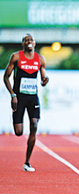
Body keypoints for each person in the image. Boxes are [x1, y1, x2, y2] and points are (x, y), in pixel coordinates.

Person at [3, 33, 49, 172]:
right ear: (23, 44)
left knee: (34, 125)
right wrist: (13, 94)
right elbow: (6, 77)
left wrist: (45, 80)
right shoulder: (16, 57)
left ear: (35, 43)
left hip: (33, 97)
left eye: (31, 40)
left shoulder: (40, 59)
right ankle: (17, 121)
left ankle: (27, 162)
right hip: (19, 97)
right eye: (26, 40)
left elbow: (43, 79)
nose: (29, 42)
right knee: (18, 131)